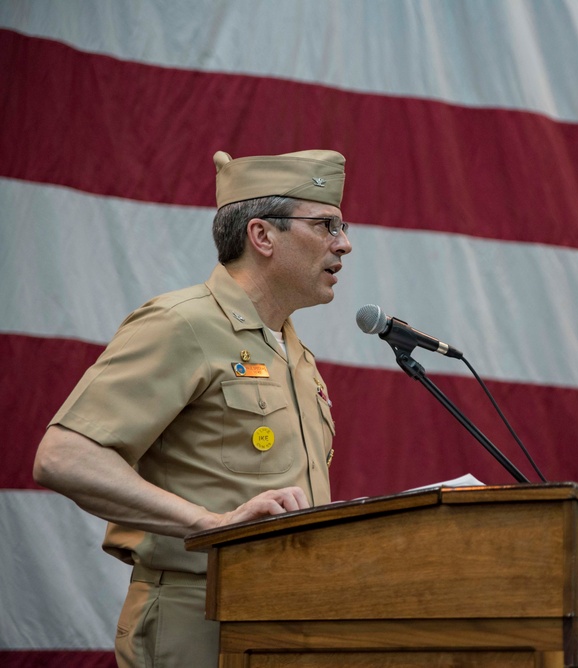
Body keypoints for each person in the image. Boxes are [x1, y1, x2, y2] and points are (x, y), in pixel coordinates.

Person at [33, 148, 353, 668]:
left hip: (282, 622)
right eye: (325, 224)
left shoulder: (292, 351)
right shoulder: (182, 324)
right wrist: (208, 523)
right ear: (263, 236)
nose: (344, 242)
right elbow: (64, 456)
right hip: (194, 621)